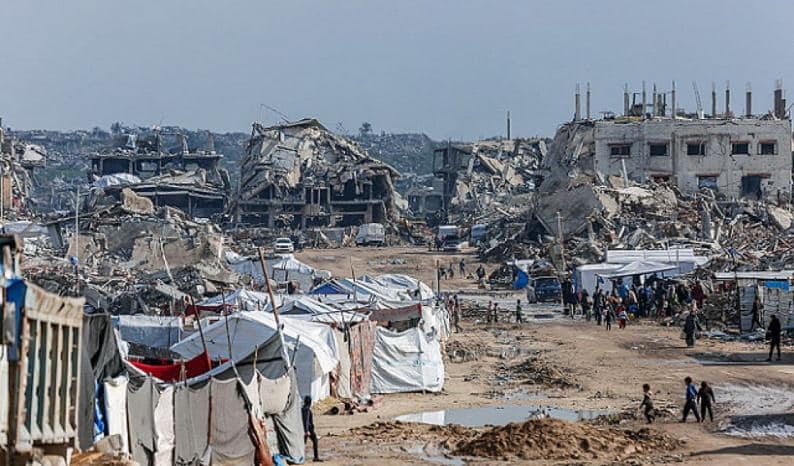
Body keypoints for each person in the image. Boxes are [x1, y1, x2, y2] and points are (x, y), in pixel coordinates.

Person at [302, 396, 322, 462]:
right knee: (315, 441)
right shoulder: (307, 410)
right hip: (308, 429)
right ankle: (316, 457)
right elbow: (306, 420)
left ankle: (300, 457)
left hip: (303, 429)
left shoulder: (302, 409)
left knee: (303, 443)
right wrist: (307, 431)